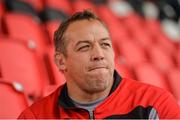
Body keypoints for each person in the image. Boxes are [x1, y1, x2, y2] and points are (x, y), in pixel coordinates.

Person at [18, 10, 180, 119]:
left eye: (105, 45)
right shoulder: (36, 116)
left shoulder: (156, 103)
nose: (99, 55)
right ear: (61, 61)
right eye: (84, 47)